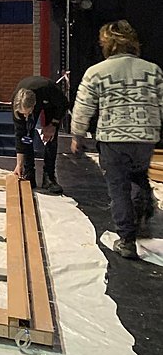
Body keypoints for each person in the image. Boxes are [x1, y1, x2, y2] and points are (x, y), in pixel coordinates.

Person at [70, 20, 163, 260]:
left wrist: (77, 135)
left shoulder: (97, 72)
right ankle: (141, 214)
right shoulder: (153, 70)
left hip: (114, 139)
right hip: (145, 137)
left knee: (119, 188)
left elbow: (83, 107)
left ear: (106, 44)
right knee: (138, 177)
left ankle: (127, 240)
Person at [11, 76, 69, 194]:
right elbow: (20, 135)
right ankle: (29, 172)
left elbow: (64, 105)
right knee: (27, 135)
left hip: (52, 104)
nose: (25, 116)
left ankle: (49, 177)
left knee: (50, 137)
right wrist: (19, 164)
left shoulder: (48, 89)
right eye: (23, 114)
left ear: (34, 106)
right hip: (31, 101)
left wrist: (53, 124)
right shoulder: (17, 104)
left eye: (28, 113)